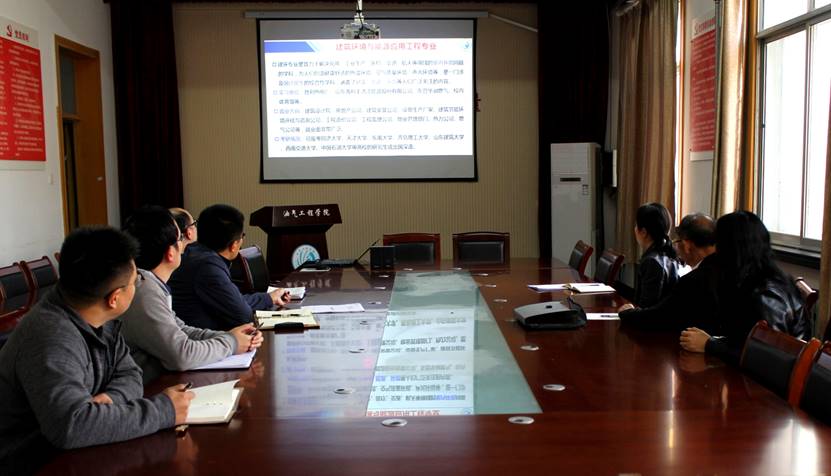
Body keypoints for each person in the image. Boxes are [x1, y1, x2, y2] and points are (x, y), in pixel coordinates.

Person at [0, 227, 193, 470]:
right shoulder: (50, 336)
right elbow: (71, 426)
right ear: (115, 298)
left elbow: (130, 373)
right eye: (136, 281)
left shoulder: (97, 315)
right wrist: (164, 411)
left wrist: (113, 398)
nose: (138, 285)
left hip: (81, 451)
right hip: (34, 464)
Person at [120, 206, 264, 383]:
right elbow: (182, 355)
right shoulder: (144, 291)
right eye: (180, 238)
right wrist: (232, 343)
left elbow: (181, 330)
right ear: (170, 253)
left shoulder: (149, 283)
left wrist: (230, 336)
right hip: (147, 390)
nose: (185, 245)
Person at [680, 211, 809, 364]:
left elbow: (766, 358)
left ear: (732, 248)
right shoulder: (752, 279)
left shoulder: (767, 294)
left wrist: (710, 344)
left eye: (719, 243)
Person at [169, 204, 288, 330]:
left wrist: (268, 298)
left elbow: (232, 300)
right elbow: (243, 315)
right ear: (234, 245)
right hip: (202, 339)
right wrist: (267, 299)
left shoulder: (195, 253)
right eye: (242, 236)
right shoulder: (208, 266)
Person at [619, 213, 719, 332]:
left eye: (677, 241)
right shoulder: (727, 268)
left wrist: (628, 313)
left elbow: (658, 316)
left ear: (687, 245)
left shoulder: (693, 280)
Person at [627, 202, 681, 308]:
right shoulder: (669, 254)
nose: (635, 229)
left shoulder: (651, 262)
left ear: (643, 232)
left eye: (636, 225)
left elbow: (647, 307)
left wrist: (630, 311)